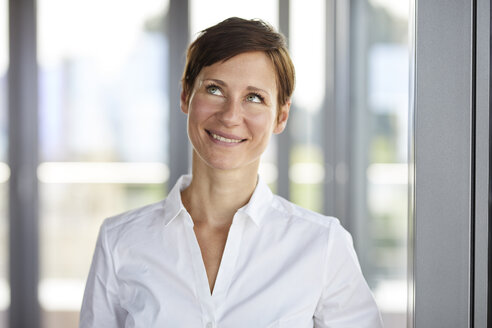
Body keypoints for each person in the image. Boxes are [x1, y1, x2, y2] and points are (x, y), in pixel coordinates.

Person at [80, 17, 383, 328]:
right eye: (214, 89)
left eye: (254, 98)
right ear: (186, 95)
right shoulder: (120, 241)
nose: (230, 116)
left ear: (281, 116)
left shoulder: (322, 245)